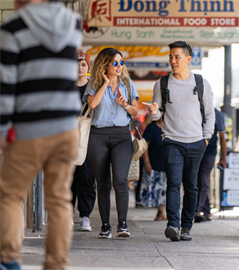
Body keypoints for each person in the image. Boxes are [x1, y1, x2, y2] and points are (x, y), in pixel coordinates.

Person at [0, 0, 82, 269]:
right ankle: (56, 264)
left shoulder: (12, 28)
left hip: (29, 129)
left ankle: (10, 258)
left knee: (10, 195)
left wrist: (2, 129)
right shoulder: (73, 24)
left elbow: (6, 86)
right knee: (59, 199)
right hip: (66, 128)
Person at [143, 41, 214, 241]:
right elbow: (157, 117)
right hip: (172, 141)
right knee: (173, 183)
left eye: (177, 57)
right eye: (170, 57)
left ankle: (187, 227)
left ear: (188, 59)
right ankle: (173, 224)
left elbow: (209, 115)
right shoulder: (162, 84)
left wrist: (206, 139)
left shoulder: (201, 84)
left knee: (191, 186)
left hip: (196, 143)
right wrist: (155, 113)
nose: (173, 61)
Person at [83, 48, 139, 239]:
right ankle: (105, 226)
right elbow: (92, 104)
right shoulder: (95, 83)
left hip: (122, 136)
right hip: (98, 136)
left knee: (121, 180)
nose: (119, 66)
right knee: (103, 183)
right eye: (115, 63)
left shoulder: (127, 84)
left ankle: (122, 225)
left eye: (121, 62)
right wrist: (105, 84)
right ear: (105, 64)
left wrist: (125, 104)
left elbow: (135, 112)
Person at [71, 51, 96, 232]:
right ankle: (67, 214)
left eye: (83, 65)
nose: (80, 68)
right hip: (67, 138)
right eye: (77, 64)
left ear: (88, 68)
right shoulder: (65, 87)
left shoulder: (93, 89)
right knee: (68, 179)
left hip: (88, 139)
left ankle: (85, 216)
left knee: (86, 178)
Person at [195, 108, 227, 222]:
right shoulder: (195, 110)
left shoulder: (217, 114)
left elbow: (222, 137)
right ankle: (207, 211)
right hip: (196, 149)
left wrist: (224, 158)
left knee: (203, 178)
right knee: (198, 179)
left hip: (210, 152)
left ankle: (197, 211)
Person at [139, 118, 167, 220]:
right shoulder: (151, 127)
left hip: (168, 165)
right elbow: (144, 147)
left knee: (165, 189)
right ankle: (161, 212)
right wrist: (147, 163)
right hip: (154, 164)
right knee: (157, 189)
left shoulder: (170, 127)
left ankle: (162, 213)